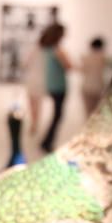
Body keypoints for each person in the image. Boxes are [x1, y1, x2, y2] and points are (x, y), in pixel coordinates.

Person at [38, 23, 71, 153]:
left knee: (57, 115)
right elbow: (68, 66)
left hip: (52, 84)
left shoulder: (48, 48)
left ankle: (47, 141)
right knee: (58, 115)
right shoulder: (57, 50)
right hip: (59, 86)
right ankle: (47, 142)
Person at [80, 36, 108, 117]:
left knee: (88, 114)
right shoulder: (103, 58)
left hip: (86, 87)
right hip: (98, 87)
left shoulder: (85, 57)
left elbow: (82, 70)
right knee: (97, 114)